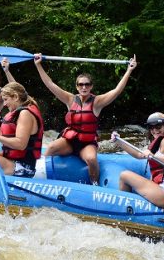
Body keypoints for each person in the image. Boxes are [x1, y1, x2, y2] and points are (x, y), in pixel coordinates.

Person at [34, 53, 137, 185]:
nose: (84, 87)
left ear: (91, 86)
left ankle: (94, 184)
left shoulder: (97, 102)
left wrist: (129, 70)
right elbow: (50, 84)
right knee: (51, 148)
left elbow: (116, 91)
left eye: (87, 84)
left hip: (86, 143)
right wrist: (38, 65)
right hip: (70, 141)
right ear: (77, 86)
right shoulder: (70, 99)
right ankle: (42, 177)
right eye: (81, 84)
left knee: (92, 159)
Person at [111, 112, 164, 209]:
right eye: (151, 127)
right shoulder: (159, 141)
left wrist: (154, 157)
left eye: (158, 126)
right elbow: (139, 155)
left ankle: (123, 211)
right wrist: (119, 142)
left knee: (124, 175)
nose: (155, 130)